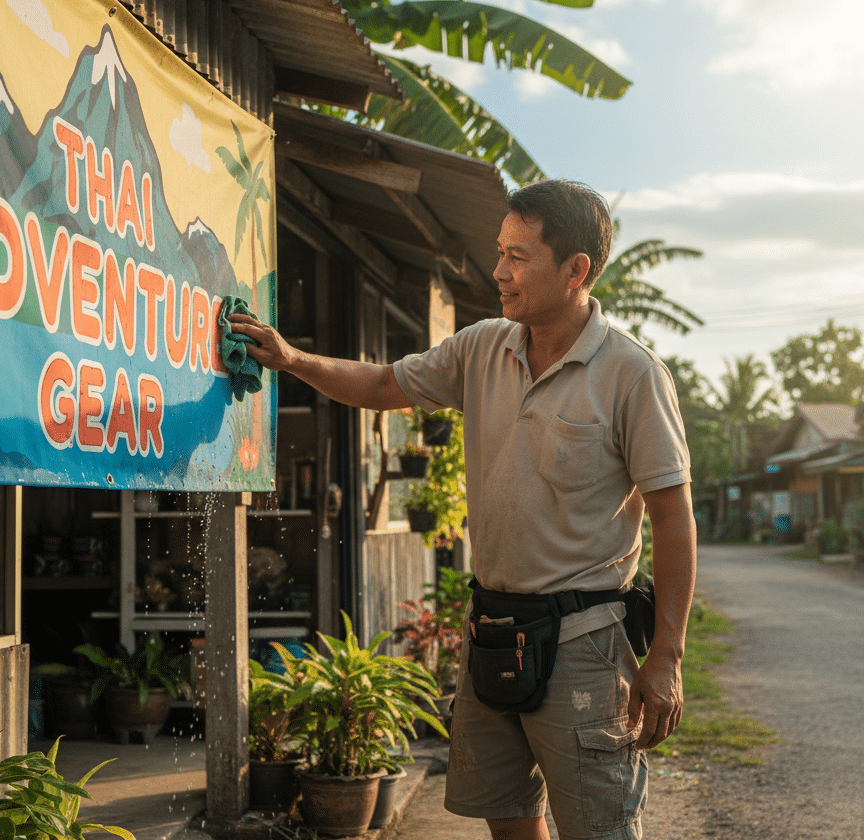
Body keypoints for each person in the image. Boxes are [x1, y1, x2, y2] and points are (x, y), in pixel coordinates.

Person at [229, 179, 696, 840]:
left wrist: (666, 657)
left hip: (585, 641)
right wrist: (291, 359)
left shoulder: (631, 373)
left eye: (518, 257)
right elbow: (384, 383)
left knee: (600, 830)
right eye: (500, 251)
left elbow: (674, 518)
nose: (499, 271)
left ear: (576, 271)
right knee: (509, 822)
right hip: (493, 629)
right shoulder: (482, 347)